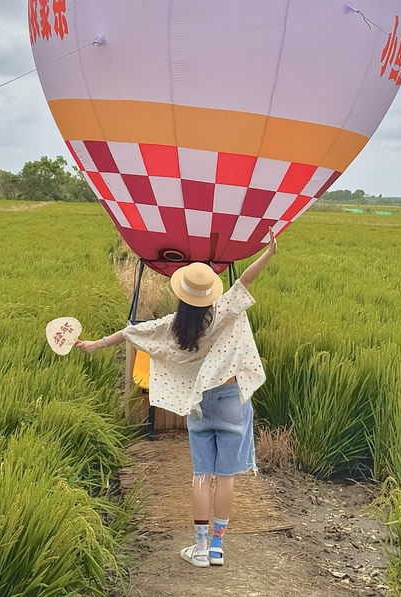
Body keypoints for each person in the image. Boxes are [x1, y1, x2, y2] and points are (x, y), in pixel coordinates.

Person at [76, 227, 277, 568]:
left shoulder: (174, 326)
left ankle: (198, 549)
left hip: (201, 403)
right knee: (226, 477)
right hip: (231, 398)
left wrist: (96, 344)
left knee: (202, 474)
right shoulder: (224, 311)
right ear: (211, 293)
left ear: (183, 295)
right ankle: (216, 548)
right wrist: (269, 252)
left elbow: (131, 332)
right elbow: (244, 280)